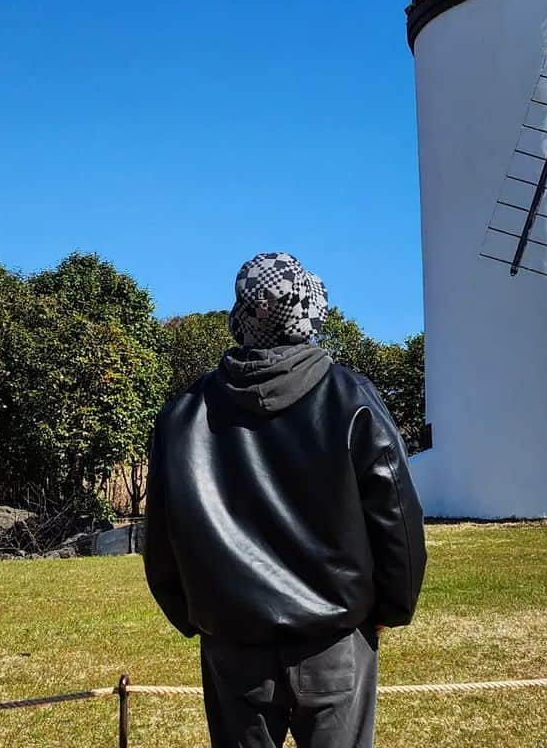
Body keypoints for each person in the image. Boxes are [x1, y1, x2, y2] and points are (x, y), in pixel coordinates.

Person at [144, 252, 427, 748]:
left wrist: (196, 618)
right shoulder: (352, 399)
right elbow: (397, 519)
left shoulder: (182, 415)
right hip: (335, 642)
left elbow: (162, 541)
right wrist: (391, 609)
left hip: (233, 649)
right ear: (311, 315)